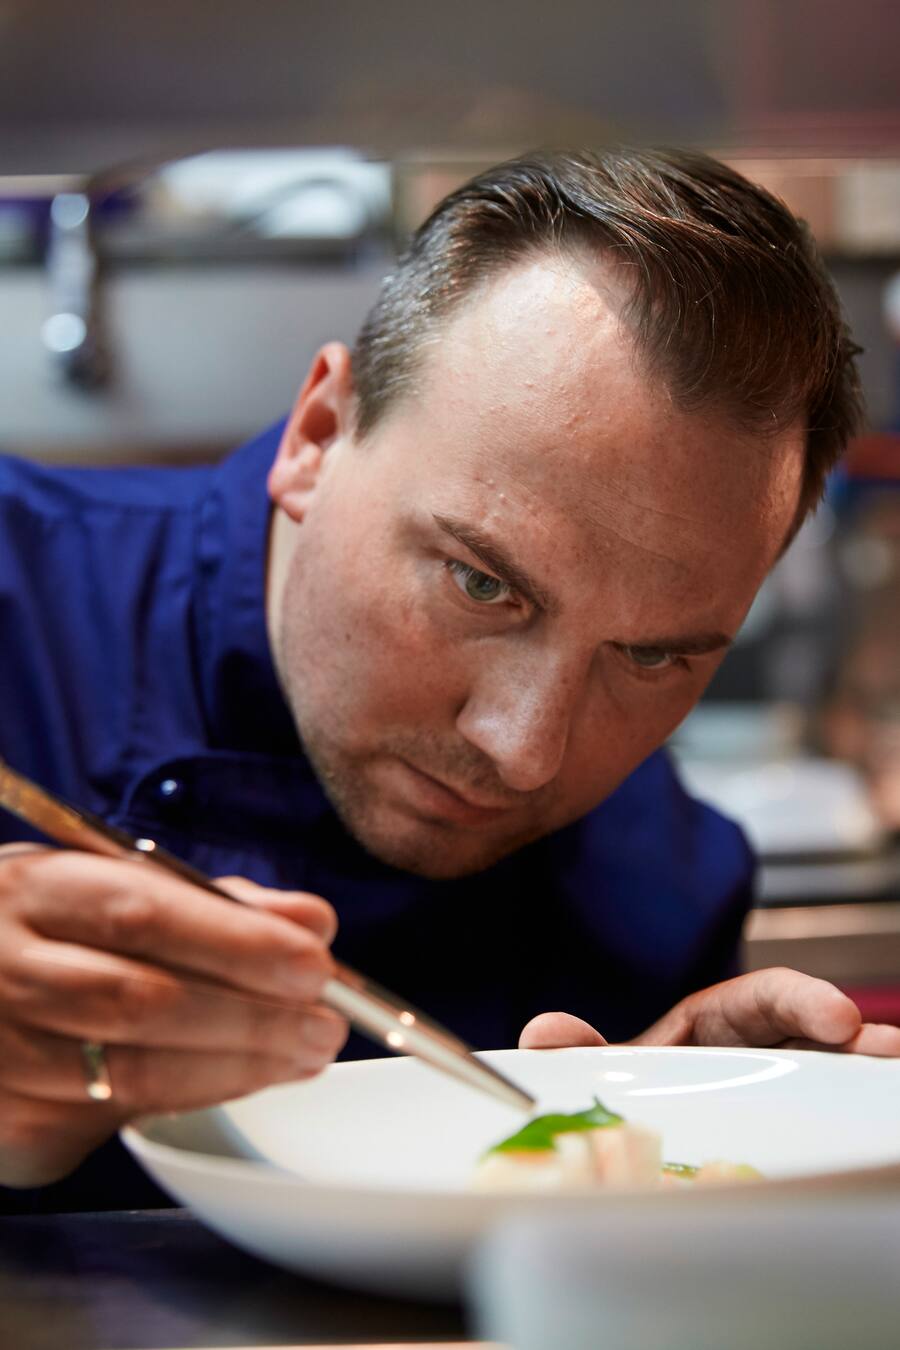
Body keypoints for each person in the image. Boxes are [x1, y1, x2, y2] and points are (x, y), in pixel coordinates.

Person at [1, 148, 897, 1213]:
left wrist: (647, 1151)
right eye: (482, 583)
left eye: (654, 655)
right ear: (319, 434)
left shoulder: (661, 889)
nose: (525, 748)